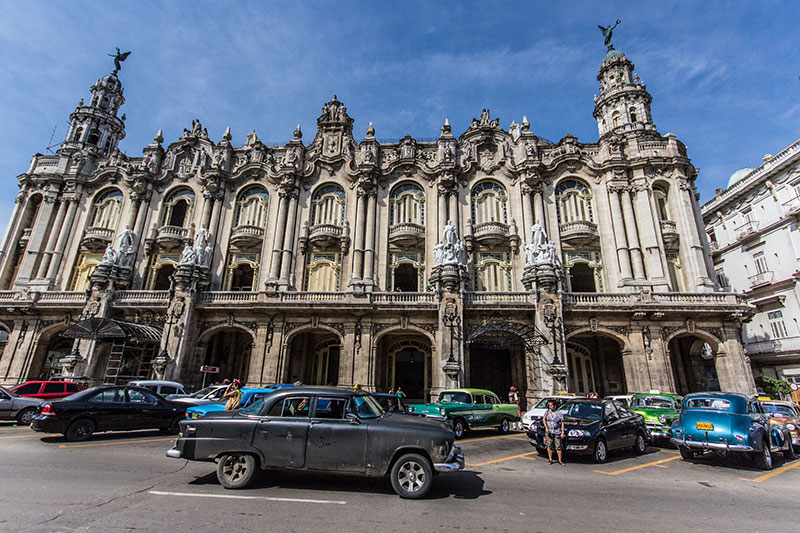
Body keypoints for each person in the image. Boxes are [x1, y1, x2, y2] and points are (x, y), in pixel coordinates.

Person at [543, 399, 565, 465]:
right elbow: (544, 419)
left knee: (558, 446)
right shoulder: (547, 412)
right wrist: (546, 428)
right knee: (549, 445)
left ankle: (560, 460)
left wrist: (562, 432)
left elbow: (562, 422)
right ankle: (550, 459)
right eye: (549, 405)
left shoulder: (559, 413)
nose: (550, 407)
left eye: (551, 405)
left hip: (557, 431)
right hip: (549, 430)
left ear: (555, 406)